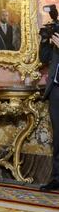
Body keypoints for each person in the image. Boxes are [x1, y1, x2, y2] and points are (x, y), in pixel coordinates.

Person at [39, 31, 59, 192]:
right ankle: (56, 178)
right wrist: (45, 40)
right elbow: (44, 58)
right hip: (56, 91)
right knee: (58, 137)